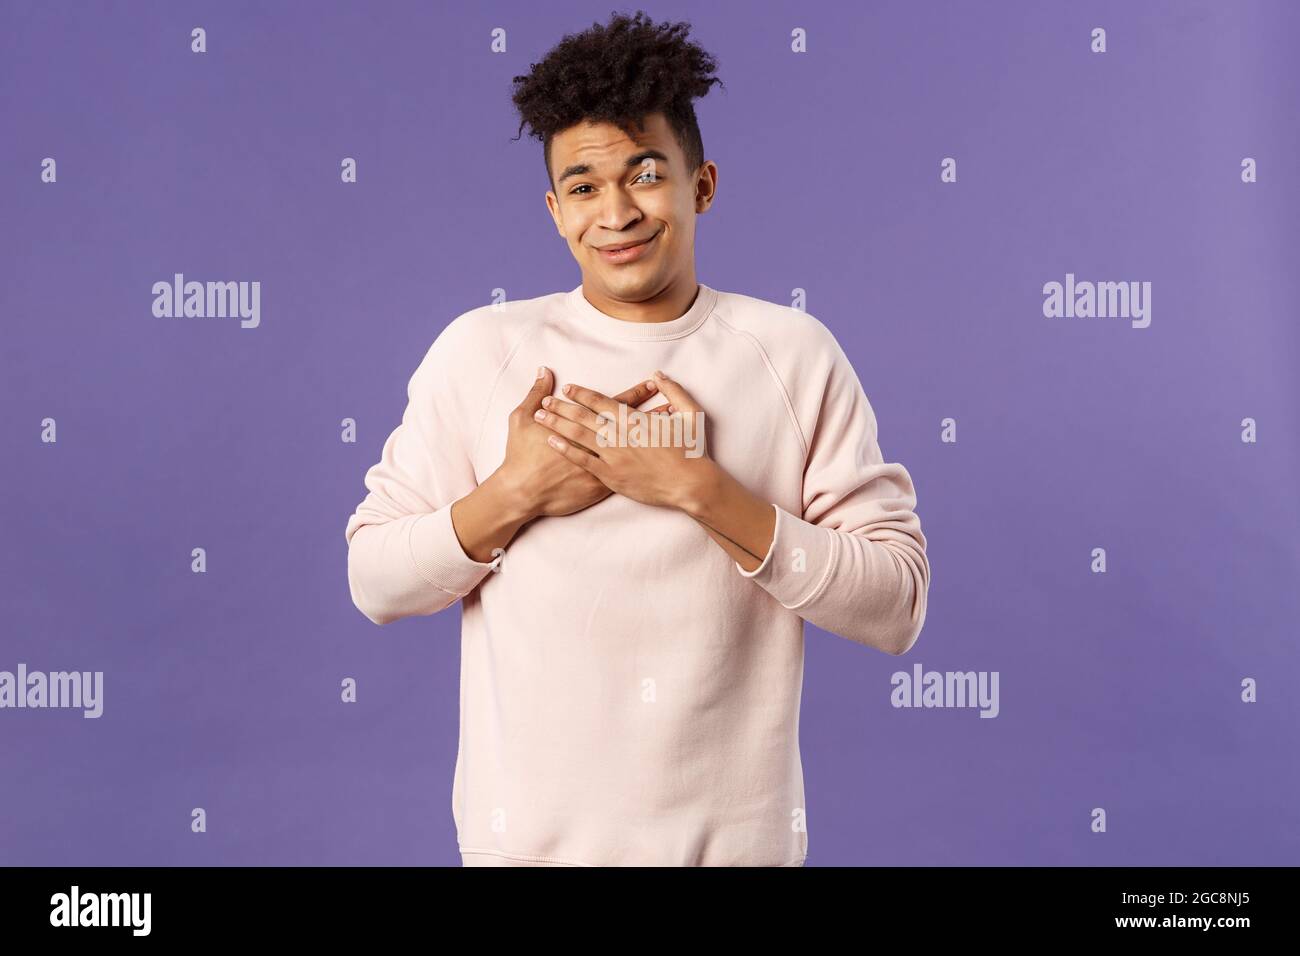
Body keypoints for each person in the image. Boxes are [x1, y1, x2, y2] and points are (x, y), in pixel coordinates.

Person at [344, 10, 930, 867]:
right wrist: (519, 491)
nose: (615, 211)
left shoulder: (792, 354)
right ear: (554, 210)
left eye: (645, 174)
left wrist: (699, 489)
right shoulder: (481, 351)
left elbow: (898, 607)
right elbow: (374, 580)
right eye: (583, 186)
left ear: (703, 184)